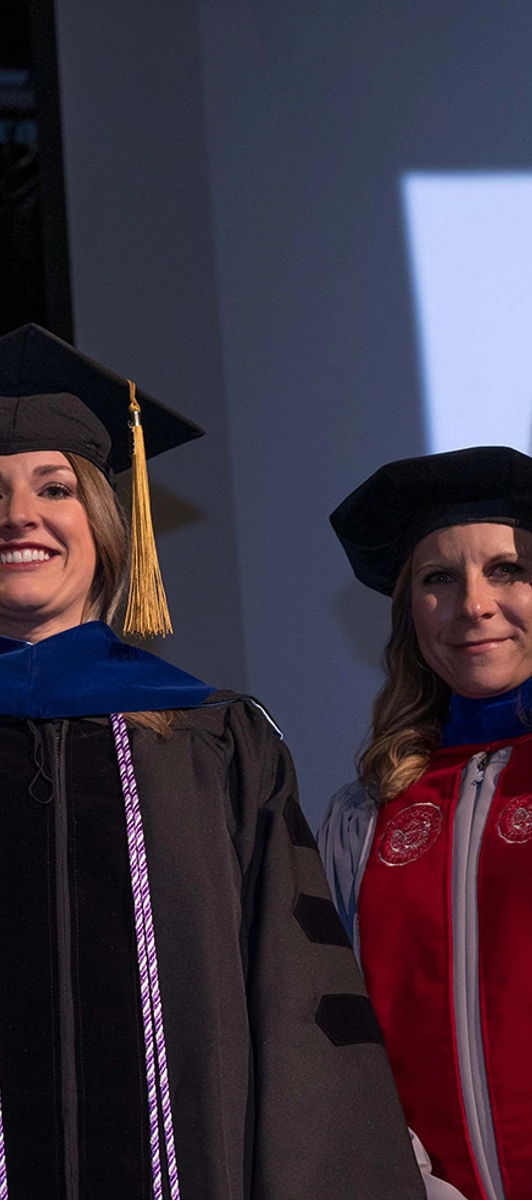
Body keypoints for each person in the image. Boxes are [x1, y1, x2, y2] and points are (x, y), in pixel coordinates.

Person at [0, 324, 422, 1199]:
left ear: (106, 525)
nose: (18, 515)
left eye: (54, 488)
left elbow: (297, 1004)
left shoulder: (216, 740)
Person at [321, 445, 532, 1200]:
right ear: (410, 614)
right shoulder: (366, 816)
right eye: (438, 578)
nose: (474, 605)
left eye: (507, 570)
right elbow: (342, 1040)